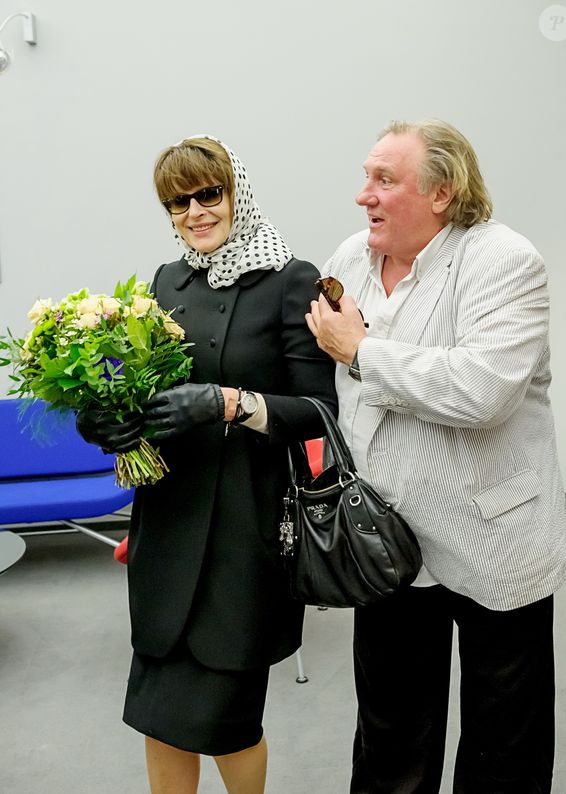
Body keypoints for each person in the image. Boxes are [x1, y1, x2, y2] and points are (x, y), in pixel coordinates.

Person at [306, 119, 566, 794]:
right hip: (387, 539)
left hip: (494, 537)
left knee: (502, 736)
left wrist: (363, 352)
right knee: (391, 728)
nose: (363, 194)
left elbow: (482, 389)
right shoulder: (348, 260)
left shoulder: (501, 260)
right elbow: (329, 388)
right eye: (366, 176)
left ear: (443, 194)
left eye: (384, 180)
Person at [77, 134, 337, 794]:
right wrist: (108, 421)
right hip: (168, 522)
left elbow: (319, 410)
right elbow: (139, 387)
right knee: (158, 716)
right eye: (176, 202)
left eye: (207, 194)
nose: (193, 211)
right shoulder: (168, 281)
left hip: (244, 529)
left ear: (235, 193)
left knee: (227, 720)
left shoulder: (291, 279)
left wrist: (227, 404)